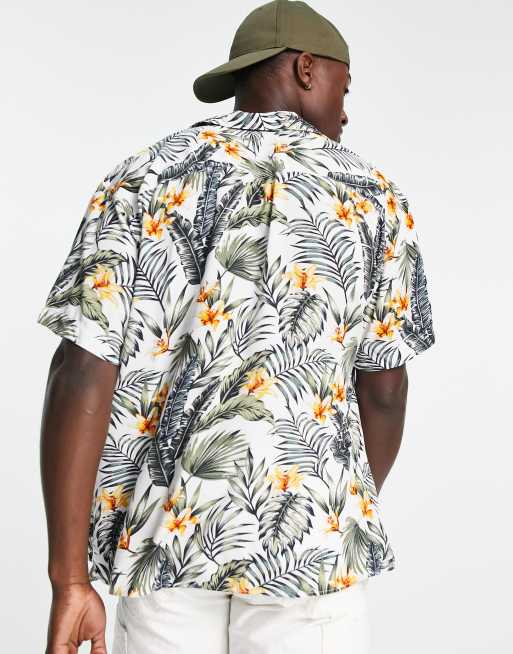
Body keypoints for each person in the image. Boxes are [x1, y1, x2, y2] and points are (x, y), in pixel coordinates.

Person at [38, 1, 436, 652]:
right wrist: (332, 510)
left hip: (164, 544)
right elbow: (385, 390)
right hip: (310, 552)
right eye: (344, 88)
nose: (345, 112)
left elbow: (80, 369)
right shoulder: (373, 198)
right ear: (305, 69)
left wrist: (69, 581)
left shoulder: (144, 176)